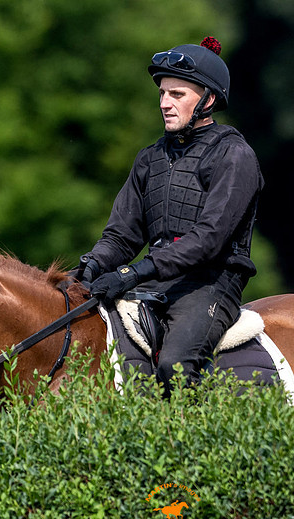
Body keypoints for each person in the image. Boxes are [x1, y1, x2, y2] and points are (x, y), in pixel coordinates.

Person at [71, 36, 264, 393]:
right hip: (156, 281)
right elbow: (121, 236)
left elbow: (208, 240)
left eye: (177, 94)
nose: (164, 103)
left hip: (211, 282)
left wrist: (133, 272)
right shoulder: (149, 158)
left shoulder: (234, 155)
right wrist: (90, 268)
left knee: (174, 366)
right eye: (162, 93)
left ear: (207, 100)